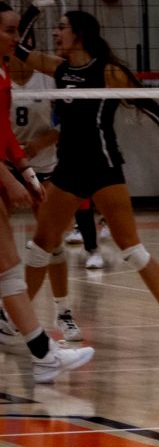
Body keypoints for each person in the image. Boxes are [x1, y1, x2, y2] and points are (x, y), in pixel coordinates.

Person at [14, 8, 159, 355]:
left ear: (80, 34)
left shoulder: (108, 71)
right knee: (41, 245)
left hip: (103, 166)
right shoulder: (60, 68)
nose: (57, 33)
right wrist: (30, 13)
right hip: (68, 169)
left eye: (62, 28)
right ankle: (18, 324)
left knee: (130, 247)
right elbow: (17, 50)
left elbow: (151, 106)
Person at [0, 1, 94, 381]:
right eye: (9, 30)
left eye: (17, 30)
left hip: (9, 167)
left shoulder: (3, 71)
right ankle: (44, 354)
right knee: (7, 265)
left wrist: (24, 170)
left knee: (6, 267)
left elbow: (2, 132)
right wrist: (8, 178)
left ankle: (43, 353)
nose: (15, 39)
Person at [7, 49, 84, 340]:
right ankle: (10, 314)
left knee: (52, 240)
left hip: (43, 164)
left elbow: (65, 126)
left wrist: (39, 144)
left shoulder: (47, 79)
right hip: (9, 164)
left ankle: (64, 313)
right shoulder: (3, 78)